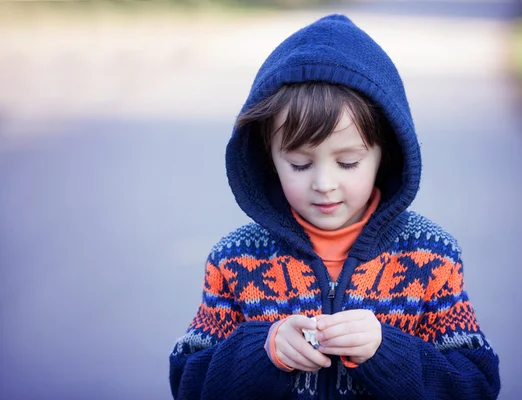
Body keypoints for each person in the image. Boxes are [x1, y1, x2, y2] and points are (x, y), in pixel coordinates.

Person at [169, 14, 500, 400]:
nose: (324, 184)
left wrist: (386, 351)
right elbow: (189, 382)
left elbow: (476, 385)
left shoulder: (431, 257)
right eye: (300, 164)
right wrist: (266, 349)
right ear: (268, 158)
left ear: (385, 154)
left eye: (347, 163)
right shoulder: (235, 260)